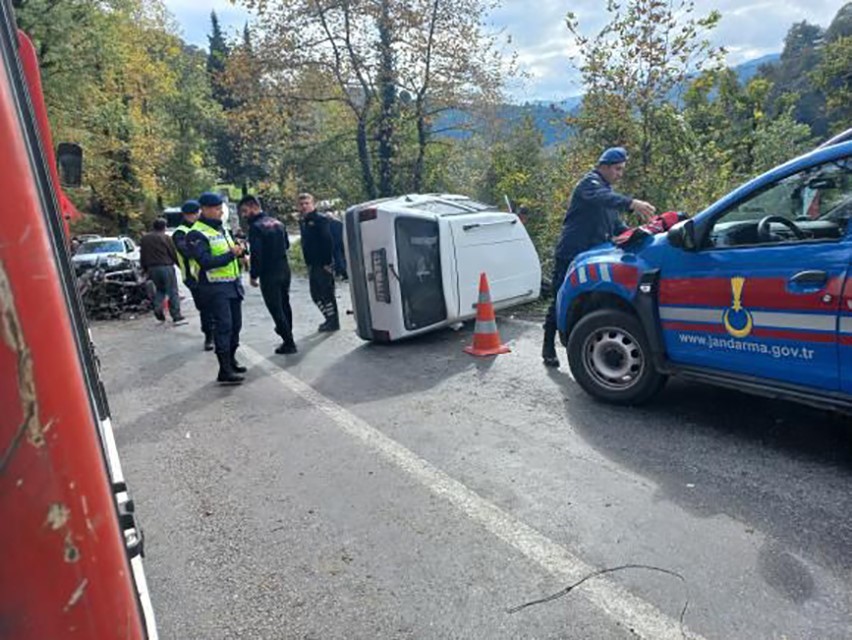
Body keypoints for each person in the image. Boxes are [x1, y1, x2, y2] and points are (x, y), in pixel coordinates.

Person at [542, 147, 656, 368]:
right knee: (558, 299)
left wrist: (641, 233)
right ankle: (548, 347)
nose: (619, 174)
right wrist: (633, 203)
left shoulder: (608, 195)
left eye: (622, 169)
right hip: (571, 253)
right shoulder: (590, 184)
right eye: (617, 169)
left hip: (592, 258)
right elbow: (604, 198)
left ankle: (583, 347)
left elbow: (617, 226)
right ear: (603, 166)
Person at [186, 192, 247, 385]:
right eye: (216, 208)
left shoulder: (221, 228)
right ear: (204, 209)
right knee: (224, 328)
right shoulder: (196, 233)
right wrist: (231, 254)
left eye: (221, 208)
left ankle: (232, 360)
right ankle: (224, 370)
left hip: (232, 285)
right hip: (214, 288)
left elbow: (230, 250)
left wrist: (241, 254)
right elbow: (205, 261)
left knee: (236, 326)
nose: (221, 212)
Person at [241, 195, 297, 355]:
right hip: (284, 269)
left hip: (269, 273)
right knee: (285, 303)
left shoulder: (256, 227)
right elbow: (286, 244)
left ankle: (289, 342)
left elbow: (256, 254)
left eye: (245, 211)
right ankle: (288, 333)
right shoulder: (278, 222)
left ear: (253, 207)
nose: (244, 215)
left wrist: (253, 275)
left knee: (275, 307)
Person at [172, 200, 215, 350]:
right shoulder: (181, 232)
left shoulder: (204, 228)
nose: (196, 216)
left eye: (197, 213)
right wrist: (201, 249)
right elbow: (187, 252)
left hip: (210, 273)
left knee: (214, 306)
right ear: (185, 215)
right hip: (193, 277)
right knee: (205, 307)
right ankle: (209, 336)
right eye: (192, 214)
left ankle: (216, 334)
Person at [297, 192, 339, 332]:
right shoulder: (303, 221)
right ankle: (328, 318)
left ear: (313, 204)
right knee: (316, 295)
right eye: (301, 204)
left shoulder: (320, 220)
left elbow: (328, 241)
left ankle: (333, 321)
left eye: (307, 203)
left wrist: (327, 263)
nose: (304, 206)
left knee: (327, 294)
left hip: (322, 264)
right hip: (312, 264)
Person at [139, 218, 185, 324]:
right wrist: (181, 266)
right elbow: (173, 252)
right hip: (166, 266)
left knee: (160, 290)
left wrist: (144, 269)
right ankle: (176, 315)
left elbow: (143, 254)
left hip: (152, 268)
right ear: (164, 227)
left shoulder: (145, 239)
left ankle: (158, 307)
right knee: (172, 291)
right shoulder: (166, 238)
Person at [326, 211, 348, 280]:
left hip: (334, 244)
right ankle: (344, 272)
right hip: (341, 242)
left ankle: (341, 272)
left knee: (337, 258)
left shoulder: (327, 225)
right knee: (343, 258)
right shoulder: (339, 223)